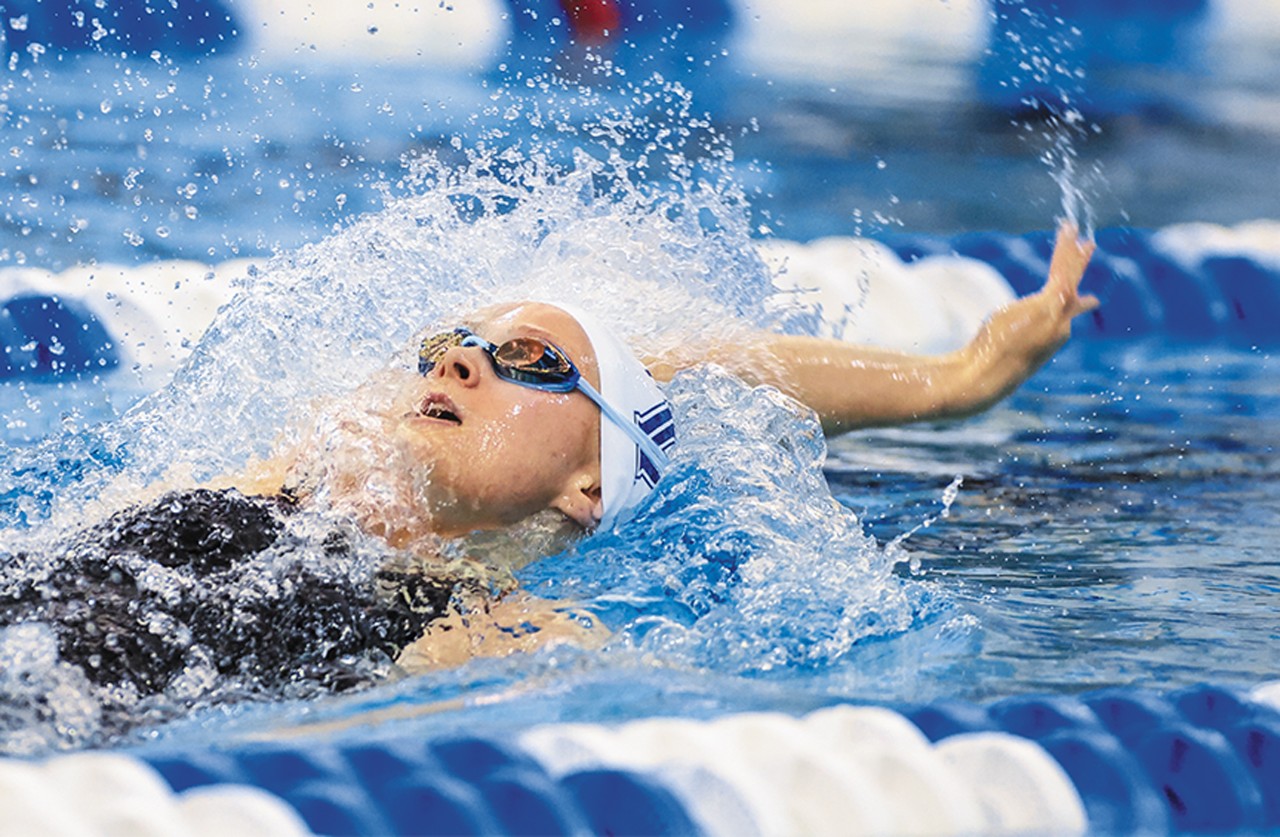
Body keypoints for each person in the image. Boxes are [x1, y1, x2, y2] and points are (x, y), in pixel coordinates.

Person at [1, 222, 1096, 729]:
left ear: (589, 484)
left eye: (527, 360)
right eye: (449, 348)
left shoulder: (493, 630)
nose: (457, 363)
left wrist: (959, 380)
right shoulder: (289, 482)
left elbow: (686, 373)